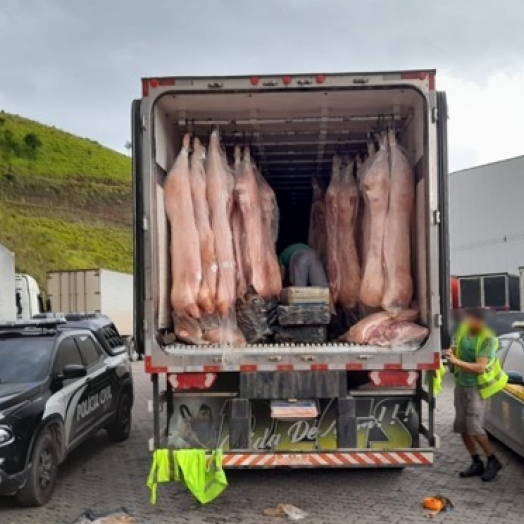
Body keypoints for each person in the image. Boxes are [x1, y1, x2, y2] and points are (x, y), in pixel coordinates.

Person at [445, 308, 506, 482]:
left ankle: (493, 460)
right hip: (461, 386)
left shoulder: (488, 338)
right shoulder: (465, 330)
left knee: (475, 428)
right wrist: (452, 351)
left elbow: (480, 367)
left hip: (476, 388)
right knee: (462, 427)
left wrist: (455, 361)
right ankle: (476, 462)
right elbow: (460, 347)